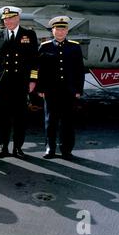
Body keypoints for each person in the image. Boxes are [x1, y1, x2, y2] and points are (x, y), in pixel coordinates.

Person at [0, 6, 39, 158]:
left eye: (11, 18)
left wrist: (33, 79)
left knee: (20, 117)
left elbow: (34, 60)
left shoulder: (29, 34)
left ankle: (18, 147)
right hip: (3, 82)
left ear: (18, 18)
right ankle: (3, 146)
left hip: (21, 81)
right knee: (3, 116)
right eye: (5, 19)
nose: (8, 21)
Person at [36, 16, 85, 159]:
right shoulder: (45, 47)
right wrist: (40, 89)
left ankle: (66, 150)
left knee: (67, 122)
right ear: (52, 30)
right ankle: (50, 148)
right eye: (57, 29)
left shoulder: (74, 47)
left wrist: (78, 90)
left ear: (67, 31)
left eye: (63, 29)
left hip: (68, 91)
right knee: (50, 121)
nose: (60, 32)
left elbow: (79, 70)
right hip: (51, 90)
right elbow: (40, 70)